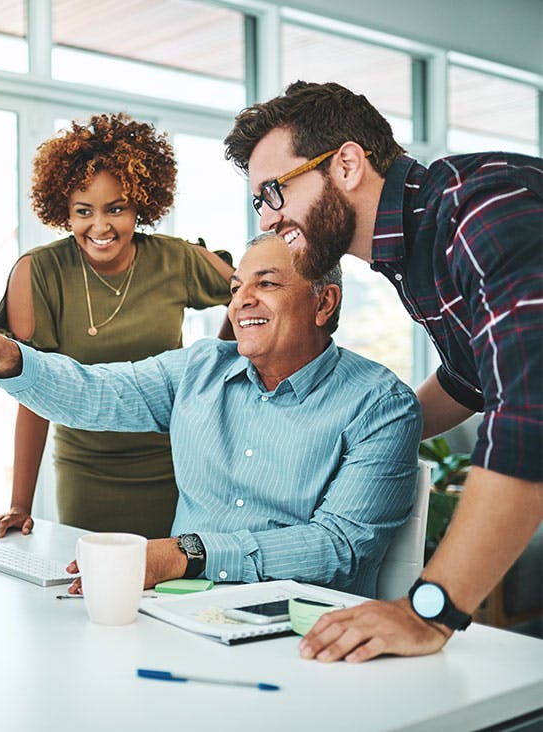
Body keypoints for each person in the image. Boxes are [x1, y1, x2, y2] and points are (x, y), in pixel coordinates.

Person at [223, 80, 542, 662]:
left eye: (275, 191)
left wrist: (430, 612)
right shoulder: (414, 251)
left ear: (346, 163)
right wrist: (368, 431)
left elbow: (530, 418)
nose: (268, 221)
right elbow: (470, 380)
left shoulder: (479, 212)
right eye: (258, 202)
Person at [0, 233, 422, 597]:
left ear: (324, 303)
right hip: (182, 612)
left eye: (266, 284)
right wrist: (4, 355)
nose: (241, 301)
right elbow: (94, 393)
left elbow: (339, 546)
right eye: (236, 288)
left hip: (301, 629)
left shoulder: (381, 404)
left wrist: (186, 554)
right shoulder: (198, 369)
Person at [0, 113, 234, 540]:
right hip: (86, 470)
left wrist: (219, 361)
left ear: (141, 203)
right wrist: (20, 504)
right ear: (63, 210)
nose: (100, 227)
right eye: (84, 211)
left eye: (116, 209)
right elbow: (30, 391)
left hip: (176, 468)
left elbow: (253, 295)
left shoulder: (176, 259)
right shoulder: (38, 271)